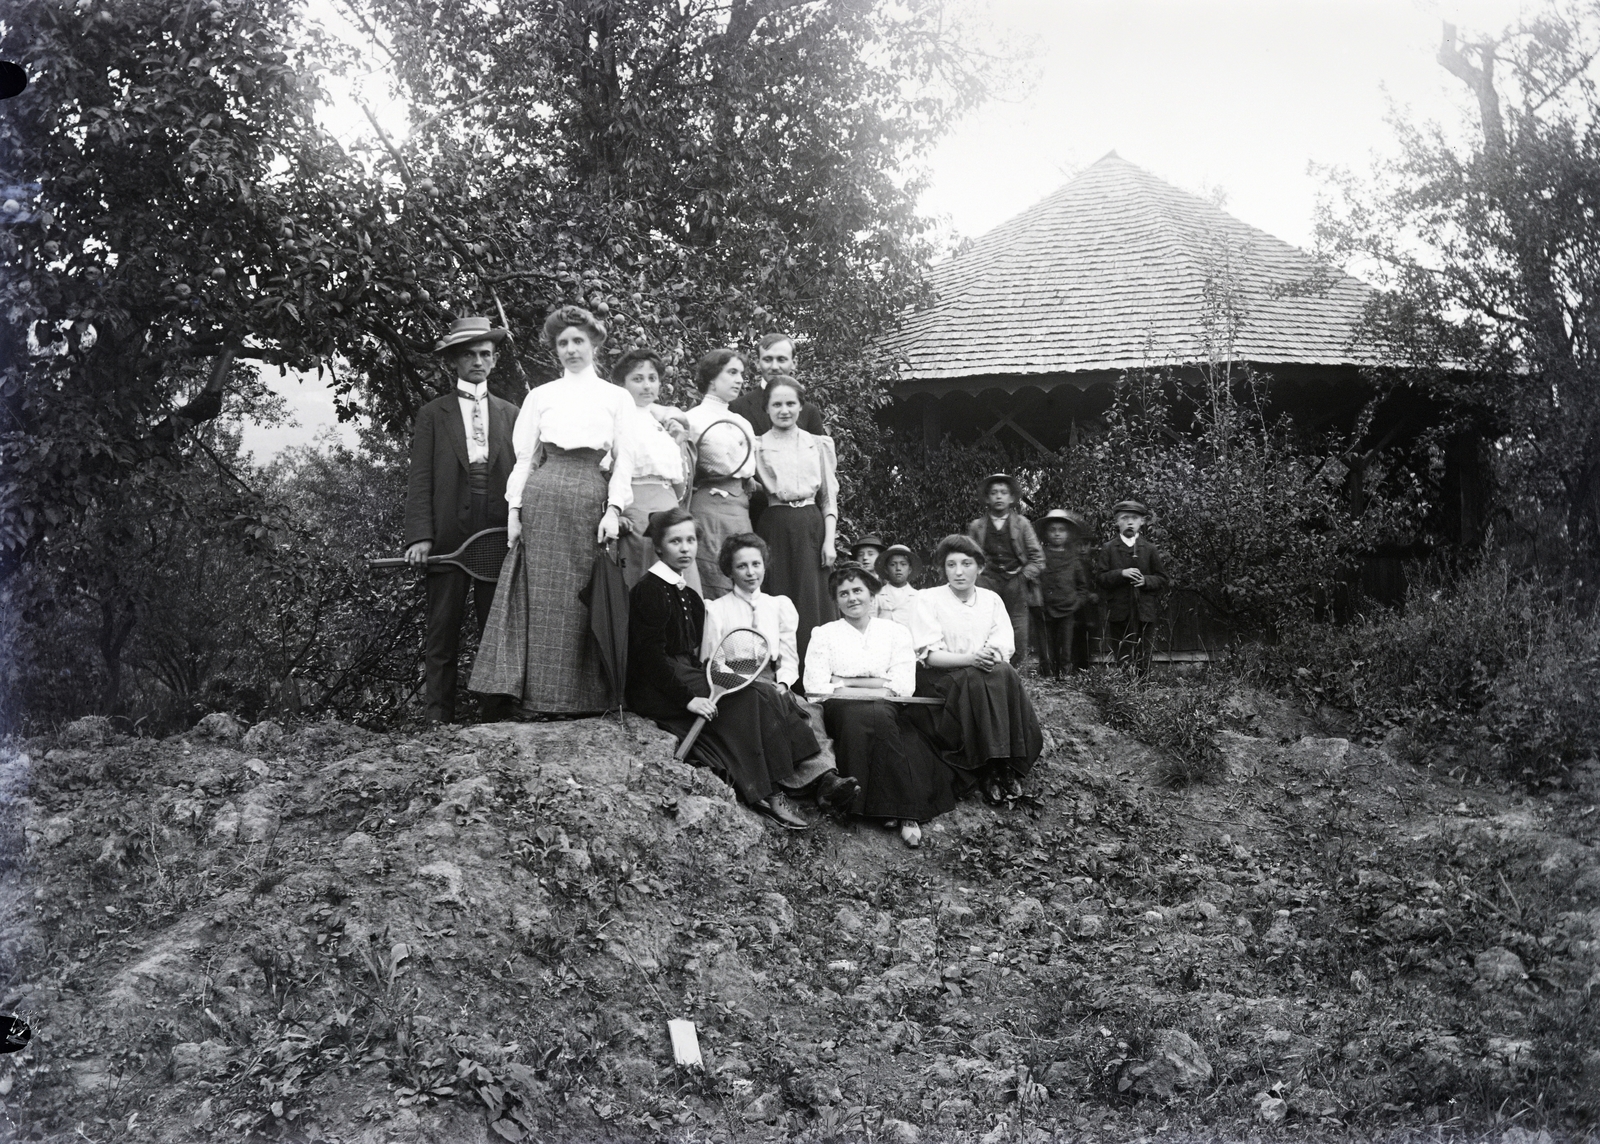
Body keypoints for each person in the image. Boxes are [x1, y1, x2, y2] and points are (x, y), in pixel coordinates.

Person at [470, 305, 635, 716]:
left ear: (594, 343)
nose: (571, 349)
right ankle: (536, 698)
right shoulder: (541, 396)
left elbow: (625, 459)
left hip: (587, 497)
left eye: (578, 340)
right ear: (554, 350)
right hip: (542, 498)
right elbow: (524, 458)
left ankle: (583, 698)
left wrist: (613, 509)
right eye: (563, 343)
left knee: (582, 596)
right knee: (541, 598)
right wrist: (514, 511)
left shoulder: (616, 397)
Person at [624, 509, 820, 829]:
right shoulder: (650, 588)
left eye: (691, 540)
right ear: (659, 547)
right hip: (654, 685)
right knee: (749, 698)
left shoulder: (688, 592)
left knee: (760, 691)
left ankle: (789, 773)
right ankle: (764, 794)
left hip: (684, 673)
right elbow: (648, 658)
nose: (686, 548)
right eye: (676, 541)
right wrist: (688, 698)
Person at [403, 317, 520, 725]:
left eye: (485, 354)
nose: (478, 361)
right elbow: (420, 478)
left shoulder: (511, 413)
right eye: (469, 354)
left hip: (498, 529)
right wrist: (421, 536)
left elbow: (523, 475)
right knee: (443, 628)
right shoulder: (433, 414)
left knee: (497, 625)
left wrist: (520, 528)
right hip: (450, 528)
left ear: (494, 359)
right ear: (454, 360)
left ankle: (498, 717)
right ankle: (438, 716)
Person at [804, 563, 957, 848]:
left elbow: (901, 686)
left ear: (871, 594)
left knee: (888, 720)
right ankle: (900, 812)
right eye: (844, 593)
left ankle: (887, 809)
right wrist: (874, 683)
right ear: (836, 600)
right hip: (841, 709)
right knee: (869, 714)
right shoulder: (823, 634)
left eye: (858, 590)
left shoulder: (895, 632)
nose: (852, 598)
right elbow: (816, 689)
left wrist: (846, 682)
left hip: (890, 706)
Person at [704, 533, 859, 813]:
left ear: (764, 565)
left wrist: (785, 682)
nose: (751, 572)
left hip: (772, 681)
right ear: (729, 570)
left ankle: (828, 779)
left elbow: (788, 655)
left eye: (756, 564)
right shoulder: (716, 610)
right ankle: (817, 782)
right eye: (742, 566)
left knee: (808, 710)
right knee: (777, 711)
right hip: (735, 688)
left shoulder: (778, 606)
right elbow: (711, 660)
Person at [907, 534, 1043, 803]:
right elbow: (930, 656)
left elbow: (1003, 644)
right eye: (951, 565)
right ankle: (988, 769)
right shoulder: (928, 599)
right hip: (942, 678)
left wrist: (986, 657)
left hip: (982, 673)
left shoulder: (991, 600)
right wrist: (972, 659)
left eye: (966, 564)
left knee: (1003, 672)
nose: (959, 572)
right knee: (978, 678)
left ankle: (1004, 765)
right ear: (943, 569)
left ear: (979, 567)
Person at [752, 376, 837, 668]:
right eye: (777, 404)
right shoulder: (756, 446)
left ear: (801, 406)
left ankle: (815, 673)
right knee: (778, 595)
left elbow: (828, 497)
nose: (784, 410)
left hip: (812, 525)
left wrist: (829, 541)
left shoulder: (819, 444)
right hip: (775, 525)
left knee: (812, 597)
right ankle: (783, 675)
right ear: (767, 408)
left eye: (791, 403)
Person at [612, 346, 699, 593]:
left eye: (652, 379)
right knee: (644, 585)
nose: (647, 386)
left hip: (670, 511)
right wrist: (613, 513)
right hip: (636, 511)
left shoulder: (659, 422)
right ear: (622, 384)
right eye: (637, 379)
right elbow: (605, 471)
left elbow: (680, 485)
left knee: (682, 585)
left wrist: (678, 442)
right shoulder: (617, 420)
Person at [684, 348, 758, 598]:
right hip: (709, 510)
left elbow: (748, 468)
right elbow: (684, 471)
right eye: (732, 372)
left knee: (744, 575)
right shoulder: (691, 420)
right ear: (712, 378)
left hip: (740, 511)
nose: (739, 379)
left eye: (741, 374)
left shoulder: (742, 422)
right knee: (712, 577)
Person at [966, 474, 1044, 669]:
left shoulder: (1022, 524)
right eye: (994, 493)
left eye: (1003, 492)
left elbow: (1038, 558)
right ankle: (985, 666)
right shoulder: (977, 526)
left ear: (1012, 498)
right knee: (983, 624)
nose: (999, 497)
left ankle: (1014, 669)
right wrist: (978, 578)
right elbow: (968, 557)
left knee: (1018, 627)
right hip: (987, 580)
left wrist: (1022, 577)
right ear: (986, 498)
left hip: (1015, 582)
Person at [1094, 500, 1170, 676]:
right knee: (1123, 654)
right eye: (1124, 518)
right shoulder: (1109, 548)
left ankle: (1142, 689)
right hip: (1120, 612)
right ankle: (1125, 691)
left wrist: (1145, 580)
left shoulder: (1149, 549)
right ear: (1116, 522)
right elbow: (1100, 578)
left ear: (1142, 522)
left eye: (1134, 518)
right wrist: (1121, 573)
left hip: (1144, 611)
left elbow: (1163, 579)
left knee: (1144, 654)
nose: (1129, 522)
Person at [1032, 509, 1093, 679]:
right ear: (1045, 533)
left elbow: (1082, 587)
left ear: (1068, 533)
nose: (1057, 534)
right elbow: (1033, 580)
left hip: (1067, 609)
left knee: (1065, 647)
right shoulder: (1039, 556)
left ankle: (1065, 678)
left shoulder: (1074, 558)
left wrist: (1076, 602)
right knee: (1046, 649)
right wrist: (1037, 602)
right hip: (1044, 611)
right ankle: (1047, 678)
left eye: (1061, 530)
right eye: (1052, 530)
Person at [728, 332, 827, 436]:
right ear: (757, 363)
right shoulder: (737, 408)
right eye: (768, 359)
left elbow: (817, 450)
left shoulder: (809, 412)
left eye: (781, 359)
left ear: (794, 363)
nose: (774, 366)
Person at [873, 544, 921, 629]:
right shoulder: (877, 595)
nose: (898, 568)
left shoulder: (917, 596)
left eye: (903, 564)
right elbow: (870, 623)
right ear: (886, 569)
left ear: (909, 569)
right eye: (893, 564)